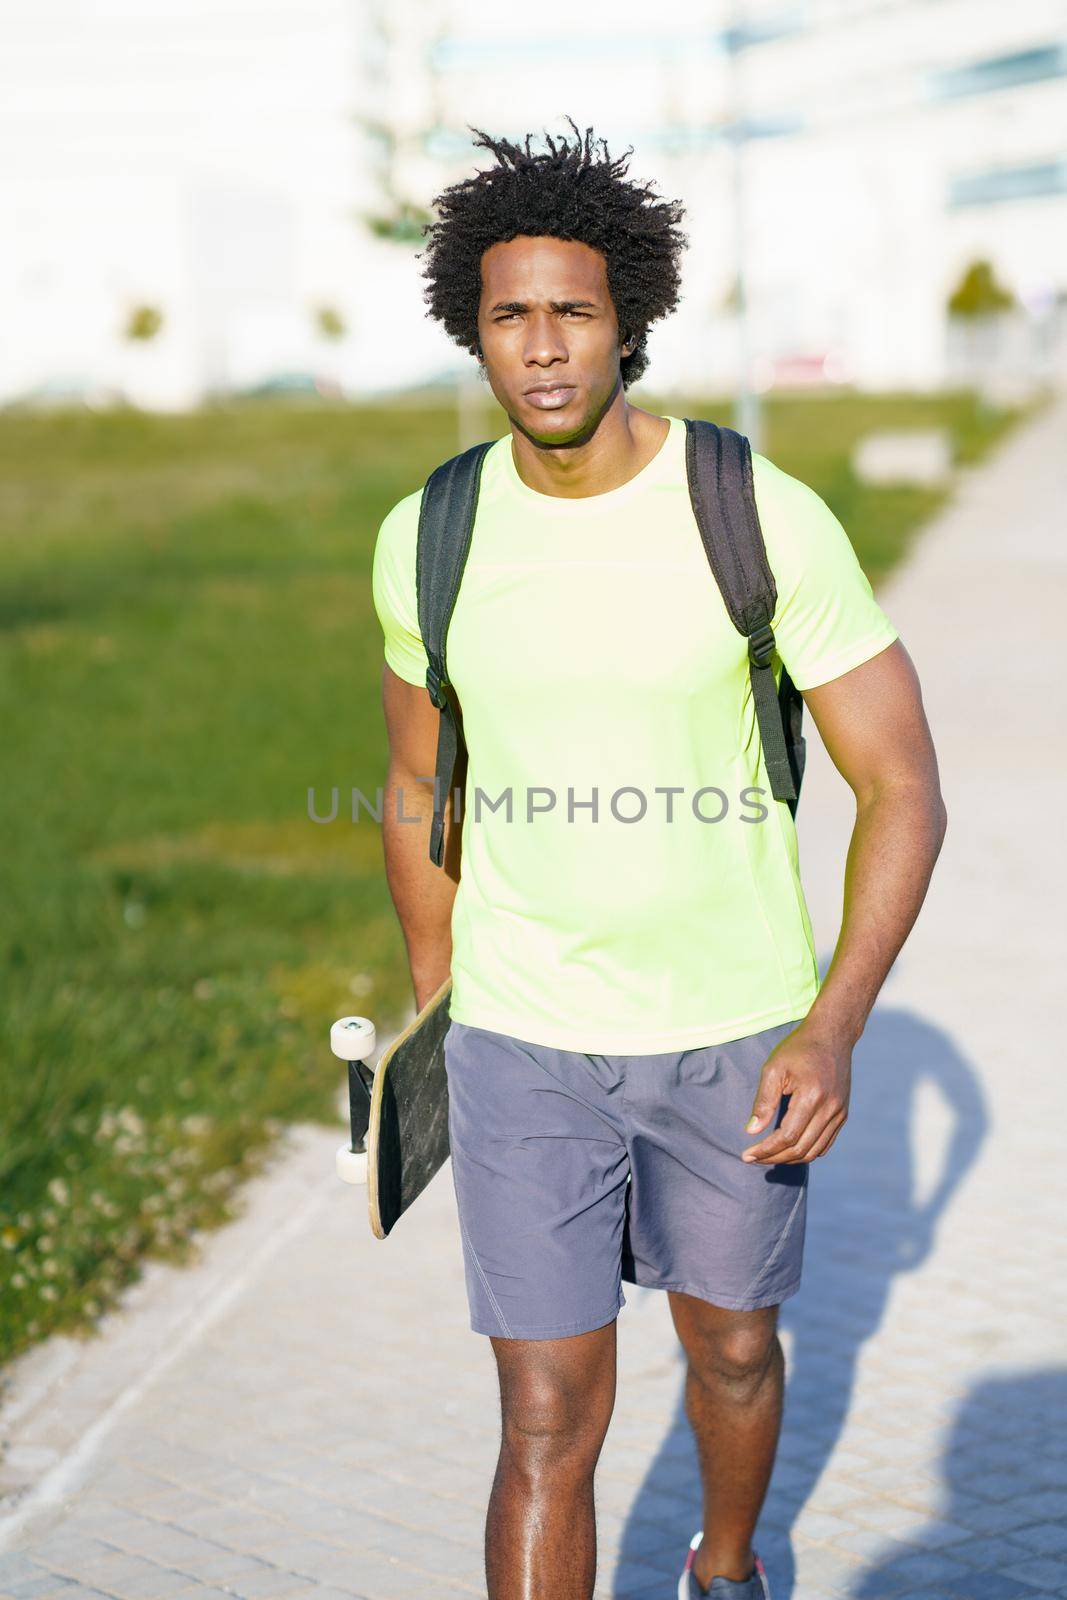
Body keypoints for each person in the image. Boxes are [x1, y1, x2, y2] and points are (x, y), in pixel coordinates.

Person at [370, 118, 947, 1600]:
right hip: (524, 1044)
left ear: (628, 319)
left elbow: (902, 784)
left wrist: (832, 1025)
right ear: (472, 330)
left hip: (731, 1033)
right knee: (547, 1415)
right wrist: (438, 997)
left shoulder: (751, 510)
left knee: (734, 1349)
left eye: (574, 312)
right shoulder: (428, 535)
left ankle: (730, 1562)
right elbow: (415, 779)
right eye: (511, 315)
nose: (544, 349)